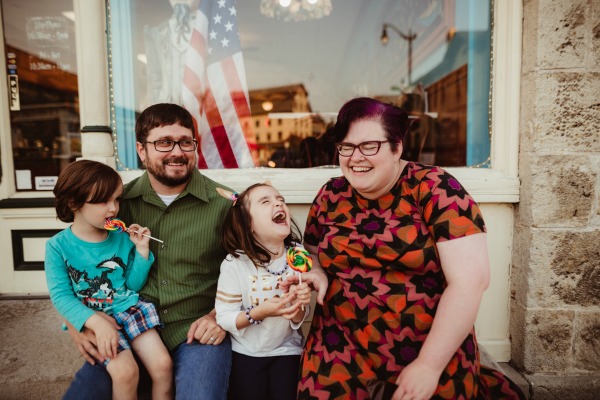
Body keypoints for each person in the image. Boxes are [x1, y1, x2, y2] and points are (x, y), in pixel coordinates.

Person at [294, 97, 526, 399]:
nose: (355, 157)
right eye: (346, 147)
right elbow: (308, 252)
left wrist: (429, 365)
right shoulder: (330, 195)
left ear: (397, 147)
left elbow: (471, 281)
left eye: (369, 146)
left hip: (426, 345)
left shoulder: (437, 189)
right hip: (340, 347)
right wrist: (316, 272)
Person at [63, 103, 233, 399]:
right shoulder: (116, 204)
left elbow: (255, 270)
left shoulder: (225, 205)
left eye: (185, 142)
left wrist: (219, 316)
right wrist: (76, 323)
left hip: (195, 329)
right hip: (128, 327)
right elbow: (72, 261)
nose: (177, 152)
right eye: (164, 143)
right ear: (141, 150)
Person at [46, 160, 173, 400]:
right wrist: (94, 322)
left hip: (129, 309)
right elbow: (61, 296)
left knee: (163, 366)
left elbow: (133, 285)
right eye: (103, 201)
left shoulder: (121, 238)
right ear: (74, 202)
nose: (113, 208)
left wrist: (142, 250)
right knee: (125, 373)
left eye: (116, 199)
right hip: (95, 319)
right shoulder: (57, 247)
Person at [214, 183, 312, 400]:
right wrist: (259, 312)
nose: (279, 202)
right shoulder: (235, 264)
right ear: (247, 224)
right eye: (265, 201)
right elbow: (224, 317)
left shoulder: (297, 255)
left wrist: (300, 303)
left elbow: (298, 317)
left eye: (281, 199)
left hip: (287, 349)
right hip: (247, 353)